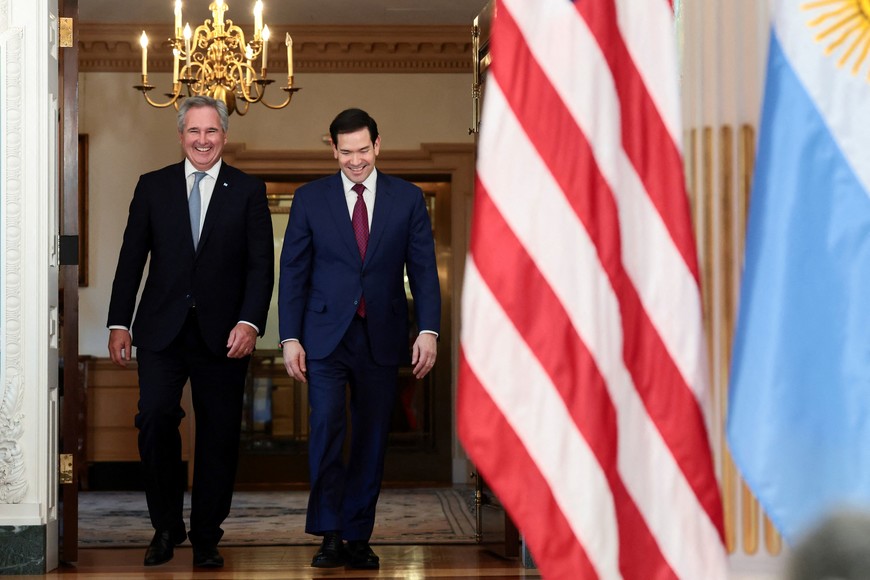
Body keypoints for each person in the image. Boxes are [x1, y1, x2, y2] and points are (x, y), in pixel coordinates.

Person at [106, 95, 274, 569]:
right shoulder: (152, 187)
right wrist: (119, 321)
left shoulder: (247, 190)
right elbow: (130, 259)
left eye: (212, 131)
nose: (203, 140)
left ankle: (205, 536)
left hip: (225, 337)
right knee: (156, 418)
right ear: (180, 136)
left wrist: (250, 321)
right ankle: (165, 526)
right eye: (194, 132)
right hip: (160, 332)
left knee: (219, 436)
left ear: (225, 135)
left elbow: (261, 268)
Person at [278, 108, 440, 569]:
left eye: (363, 150)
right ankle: (329, 533)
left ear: (378, 144)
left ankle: (357, 534)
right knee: (328, 428)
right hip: (324, 338)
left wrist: (428, 329)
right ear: (332, 149)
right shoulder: (310, 199)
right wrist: (290, 336)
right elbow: (293, 273)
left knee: (371, 437)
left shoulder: (407, 198)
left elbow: (424, 271)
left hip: (383, 336)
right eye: (345, 152)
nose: (355, 161)